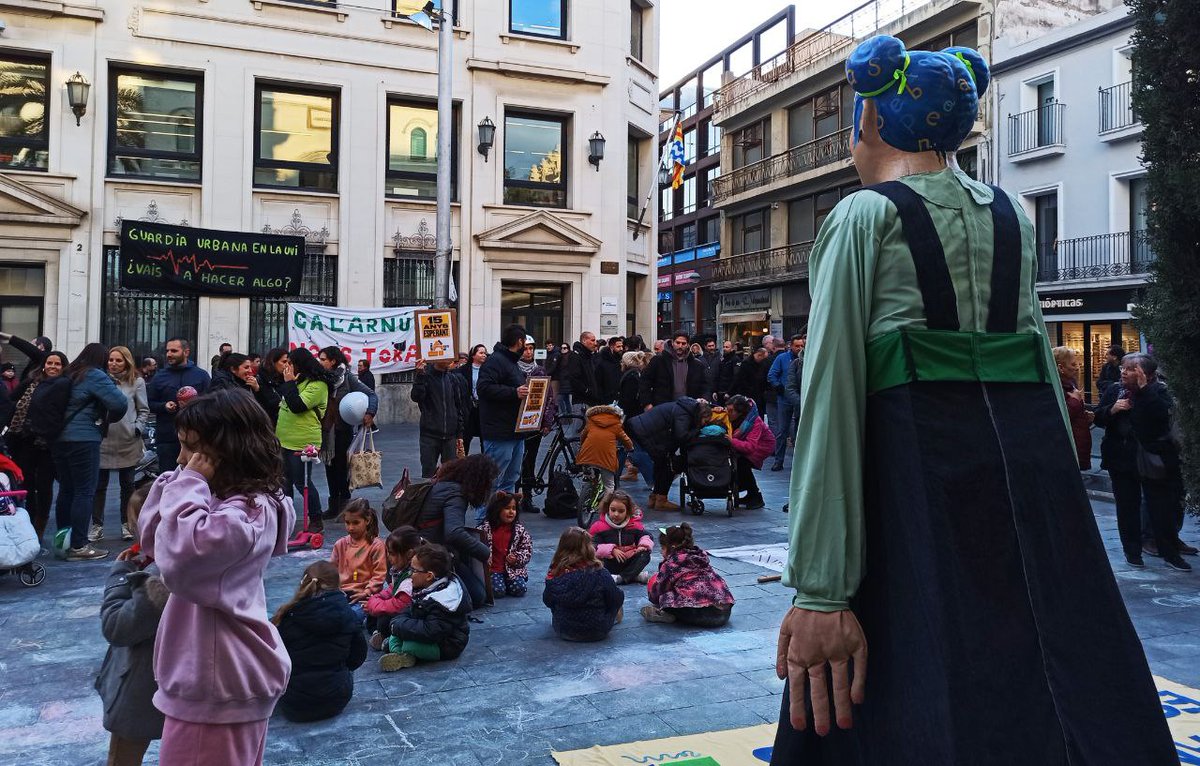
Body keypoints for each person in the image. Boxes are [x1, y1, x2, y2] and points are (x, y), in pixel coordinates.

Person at [773, 35, 1174, 762]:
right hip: (1027, 487)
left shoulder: (863, 217)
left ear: (871, 121)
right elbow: (1039, 373)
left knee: (913, 687)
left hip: (911, 492)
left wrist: (822, 589)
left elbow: (830, 394)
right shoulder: (1011, 214)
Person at [137, 388, 295, 765]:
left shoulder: (244, 516)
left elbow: (178, 559)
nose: (180, 460)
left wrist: (188, 483)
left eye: (190, 449)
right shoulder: (225, 504)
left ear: (222, 452)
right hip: (216, 678)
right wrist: (186, 480)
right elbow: (152, 537)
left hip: (217, 680)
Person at [1094, 353, 1191, 571]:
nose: (1123, 373)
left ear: (1145, 373)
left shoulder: (1160, 392)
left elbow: (1161, 417)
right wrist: (1112, 409)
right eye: (1122, 369)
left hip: (1154, 459)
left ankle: (1170, 552)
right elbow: (1098, 418)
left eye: (1128, 369)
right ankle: (1132, 551)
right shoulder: (1114, 390)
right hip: (1121, 458)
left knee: (1161, 507)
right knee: (1127, 507)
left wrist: (1144, 390)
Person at [95, 483, 166, 766]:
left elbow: (116, 626)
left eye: (137, 526)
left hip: (141, 686)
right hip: (165, 684)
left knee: (122, 757)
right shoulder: (194, 566)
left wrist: (120, 575)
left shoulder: (158, 584)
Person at [54, 343, 130, 561]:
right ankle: (79, 546)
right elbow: (119, 403)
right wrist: (105, 420)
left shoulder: (70, 373)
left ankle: (63, 544)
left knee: (66, 491)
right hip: (83, 438)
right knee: (84, 491)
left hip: (60, 438)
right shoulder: (94, 374)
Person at [271, 561, 367, 723]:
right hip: (336, 700)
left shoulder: (287, 617)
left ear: (304, 583)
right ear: (338, 586)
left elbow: (274, 663)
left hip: (295, 705)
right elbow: (357, 657)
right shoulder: (348, 616)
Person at [1, 351, 68, 545]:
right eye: (49, 362)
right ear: (44, 364)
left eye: (57, 363)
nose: (53, 367)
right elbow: (11, 399)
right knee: (26, 482)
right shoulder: (32, 381)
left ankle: (39, 525)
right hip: (24, 439)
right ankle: (28, 522)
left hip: (48, 442)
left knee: (45, 484)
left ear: (63, 367)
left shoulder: (63, 385)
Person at [416, 455, 496, 610]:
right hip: (429, 553)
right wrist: (485, 552)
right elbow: (454, 533)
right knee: (478, 596)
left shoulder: (442, 483)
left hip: (423, 544)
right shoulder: (456, 494)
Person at [379, 543, 471, 671]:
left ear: (429, 576)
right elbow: (407, 610)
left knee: (408, 645)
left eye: (414, 570)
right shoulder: (424, 588)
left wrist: (399, 626)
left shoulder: (444, 600)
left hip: (446, 645)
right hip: (425, 631)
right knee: (397, 631)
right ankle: (400, 653)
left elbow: (430, 631)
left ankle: (401, 653)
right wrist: (398, 623)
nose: (410, 574)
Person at [94, 345, 150, 543]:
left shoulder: (137, 382)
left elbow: (144, 410)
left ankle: (127, 524)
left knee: (127, 485)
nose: (114, 364)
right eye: (111, 360)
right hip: (103, 440)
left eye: (118, 360)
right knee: (99, 486)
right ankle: (96, 525)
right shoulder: (99, 380)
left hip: (128, 440)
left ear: (127, 361)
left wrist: (137, 428)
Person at [317, 347, 378, 517]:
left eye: (323, 359)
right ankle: (333, 506)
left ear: (333, 361)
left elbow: (371, 395)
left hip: (343, 431)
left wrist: (370, 412)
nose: (320, 363)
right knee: (329, 467)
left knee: (342, 469)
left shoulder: (347, 378)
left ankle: (345, 506)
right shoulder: (320, 379)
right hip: (327, 431)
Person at [276, 347, 330, 534]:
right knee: (284, 481)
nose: (288, 367)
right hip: (284, 439)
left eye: (291, 363)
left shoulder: (318, 385)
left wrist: (289, 383)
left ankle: (316, 518)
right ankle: (286, 516)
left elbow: (298, 406)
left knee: (302, 482)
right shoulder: (299, 380)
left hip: (303, 441)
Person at [642, 523, 735, 627]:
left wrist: (655, 598)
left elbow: (658, 590)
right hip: (724, 613)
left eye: (663, 548)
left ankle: (668, 614)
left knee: (664, 596)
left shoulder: (671, 564)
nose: (661, 552)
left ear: (672, 548)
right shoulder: (700, 557)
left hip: (702, 615)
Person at [625, 397, 709, 512]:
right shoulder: (684, 413)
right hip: (645, 432)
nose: (705, 424)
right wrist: (698, 431)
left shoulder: (685, 408)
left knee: (662, 462)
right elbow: (681, 435)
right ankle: (661, 499)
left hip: (642, 429)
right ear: (701, 415)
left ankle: (655, 497)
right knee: (668, 464)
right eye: (705, 421)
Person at [477, 324, 531, 497]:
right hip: (499, 431)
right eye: (525, 343)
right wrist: (514, 392)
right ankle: (483, 520)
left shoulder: (511, 362)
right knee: (493, 479)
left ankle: (503, 517)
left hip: (515, 430)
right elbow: (484, 388)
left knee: (511, 478)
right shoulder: (495, 361)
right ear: (519, 341)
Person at [543, 527, 625, 642]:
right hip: (597, 630)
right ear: (588, 548)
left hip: (563, 630)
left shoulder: (555, 572)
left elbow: (547, 600)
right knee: (616, 596)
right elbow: (615, 599)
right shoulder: (599, 573)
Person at [146, 337, 211, 473]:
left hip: (196, 437)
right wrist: (164, 406)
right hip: (167, 438)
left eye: (174, 351)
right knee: (168, 479)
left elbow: (212, 403)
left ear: (186, 352)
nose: (169, 354)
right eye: (167, 351)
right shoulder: (159, 377)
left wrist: (195, 405)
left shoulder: (201, 376)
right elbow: (149, 403)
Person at [364, 526, 422, 650]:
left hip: (412, 615)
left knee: (384, 619)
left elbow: (399, 605)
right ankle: (379, 634)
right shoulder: (401, 570)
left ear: (409, 554)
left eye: (392, 554)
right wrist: (376, 598)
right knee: (373, 614)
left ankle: (387, 639)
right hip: (401, 610)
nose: (388, 557)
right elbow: (392, 588)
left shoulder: (412, 577)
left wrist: (375, 605)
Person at [516, 337, 557, 513]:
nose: (529, 352)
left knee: (530, 460)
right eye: (525, 348)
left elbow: (549, 398)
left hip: (534, 423)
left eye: (531, 348)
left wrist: (547, 421)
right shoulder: (513, 370)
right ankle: (513, 496)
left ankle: (527, 497)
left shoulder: (539, 370)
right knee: (516, 461)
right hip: (516, 424)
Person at [411, 358, 470, 478]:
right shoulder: (426, 376)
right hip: (430, 435)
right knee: (428, 474)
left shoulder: (452, 379)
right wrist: (420, 376)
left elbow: (458, 407)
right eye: (447, 357)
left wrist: (459, 434)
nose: (451, 360)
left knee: (451, 475)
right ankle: (428, 496)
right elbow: (416, 396)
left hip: (450, 436)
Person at [330, 499, 387, 622]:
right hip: (341, 594)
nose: (350, 528)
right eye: (347, 523)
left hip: (364, 597)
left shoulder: (376, 545)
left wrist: (367, 592)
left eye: (356, 523)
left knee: (348, 618)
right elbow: (330, 573)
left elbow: (379, 576)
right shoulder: (340, 544)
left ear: (367, 520)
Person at [588, 489, 652, 585]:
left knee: (645, 554)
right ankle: (634, 576)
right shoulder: (599, 526)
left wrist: (642, 546)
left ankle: (622, 577)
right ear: (607, 508)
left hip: (628, 561)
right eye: (613, 510)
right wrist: (611, 549)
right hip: (609, 561)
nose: (616, 514)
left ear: (628, 511)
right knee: (595, 562)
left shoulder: (634, 525)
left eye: (621, 511)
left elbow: (646, 536)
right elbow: (592, 545)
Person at [478, 491, 532, 598]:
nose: (511, 512)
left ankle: (507, 582)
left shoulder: (519, 529)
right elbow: (477, 547)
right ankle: (499, 583)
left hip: (512, 570)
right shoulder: (485, 529)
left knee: (520, 589)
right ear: (497, 509)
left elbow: (526, 549)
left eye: (514, 508)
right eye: (507, 508)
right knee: (497, 591)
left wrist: (516, 558)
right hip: (493, 570)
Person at [725, 395, 775, 510]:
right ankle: (750, 494)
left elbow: (750, 447)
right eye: (727, 409)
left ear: (740, 411)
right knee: (738, 462)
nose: (728, 413)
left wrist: (732, 441)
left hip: (763, 446)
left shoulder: (754, 422)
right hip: (750, 444)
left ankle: (756, 496)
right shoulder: (735, 418)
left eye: (731, 411)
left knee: (743, 463)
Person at [639, 331, 707, 409]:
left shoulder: (696, 364)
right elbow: (644, 381)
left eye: (683, 343)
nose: (680, 346)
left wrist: (704, 398)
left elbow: (705, 385)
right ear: (672, 342)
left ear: (688, 345)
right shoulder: (658, 361)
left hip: (688, 408)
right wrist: (647, 403)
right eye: (677, 343)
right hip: (662, 407)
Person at [766, 334, 805, 471]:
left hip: (800, 399)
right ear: (791, 346)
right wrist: (778, 387)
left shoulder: (806, 358)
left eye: (801, 345)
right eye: (797, 346)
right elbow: (772, 375)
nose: (800, 348)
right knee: (782, 431)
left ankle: (799, 462)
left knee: (799, 432)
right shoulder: (782, 358)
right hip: (784, 399)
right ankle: (779, 460)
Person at [576, 403, 632, 493]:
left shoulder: (591, 421)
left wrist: (582, 445)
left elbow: (583, 436)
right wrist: (630, 448)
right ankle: (605, 505)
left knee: (589, 471)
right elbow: (626, 439)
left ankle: (589, 482)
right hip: (606, 459)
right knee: (609, 485)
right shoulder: (616, 424)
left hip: (587, 455)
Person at [1053, 346, 1094, 471]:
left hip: (1076, 445)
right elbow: (1058, 419)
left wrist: (1085, 416)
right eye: (1073, 364)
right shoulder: (1055, 388)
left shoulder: (1071, 384)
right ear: (1061, 368)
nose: (1077, 368)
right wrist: (1075, 402)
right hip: (1066, 449)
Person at [617, 351, 654, 484]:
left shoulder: (631, 376)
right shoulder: (636, 374)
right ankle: (615, 478)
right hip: (633, 418)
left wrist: (621, 413)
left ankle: (652, 480)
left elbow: (628, 400)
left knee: (634, 449)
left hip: (630, 418)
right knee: (623, 447)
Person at [456, 344, 487, 455]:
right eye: (481, 353)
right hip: (468, 408)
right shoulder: (463, 370)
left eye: (485, 353)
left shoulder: (488, 369)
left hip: (483, 408)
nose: (484, 355)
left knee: (485, 439)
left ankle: (486, 465)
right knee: (466, 438)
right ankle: (463, 465)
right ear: (473, 355)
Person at [256, 347, 289, 427]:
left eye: (288, 362)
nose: (287, 365)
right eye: (284, 362)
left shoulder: (285, 378)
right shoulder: (261, 379)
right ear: (273, 362)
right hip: (267, 424)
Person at [595, 335, 625, 405]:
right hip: (607, 399)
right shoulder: (602, 362)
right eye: (618, 347)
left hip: (619, 398)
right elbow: (598, 383)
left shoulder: (621, 361)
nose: (621, 349)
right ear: (611, 347)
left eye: (622, 346)